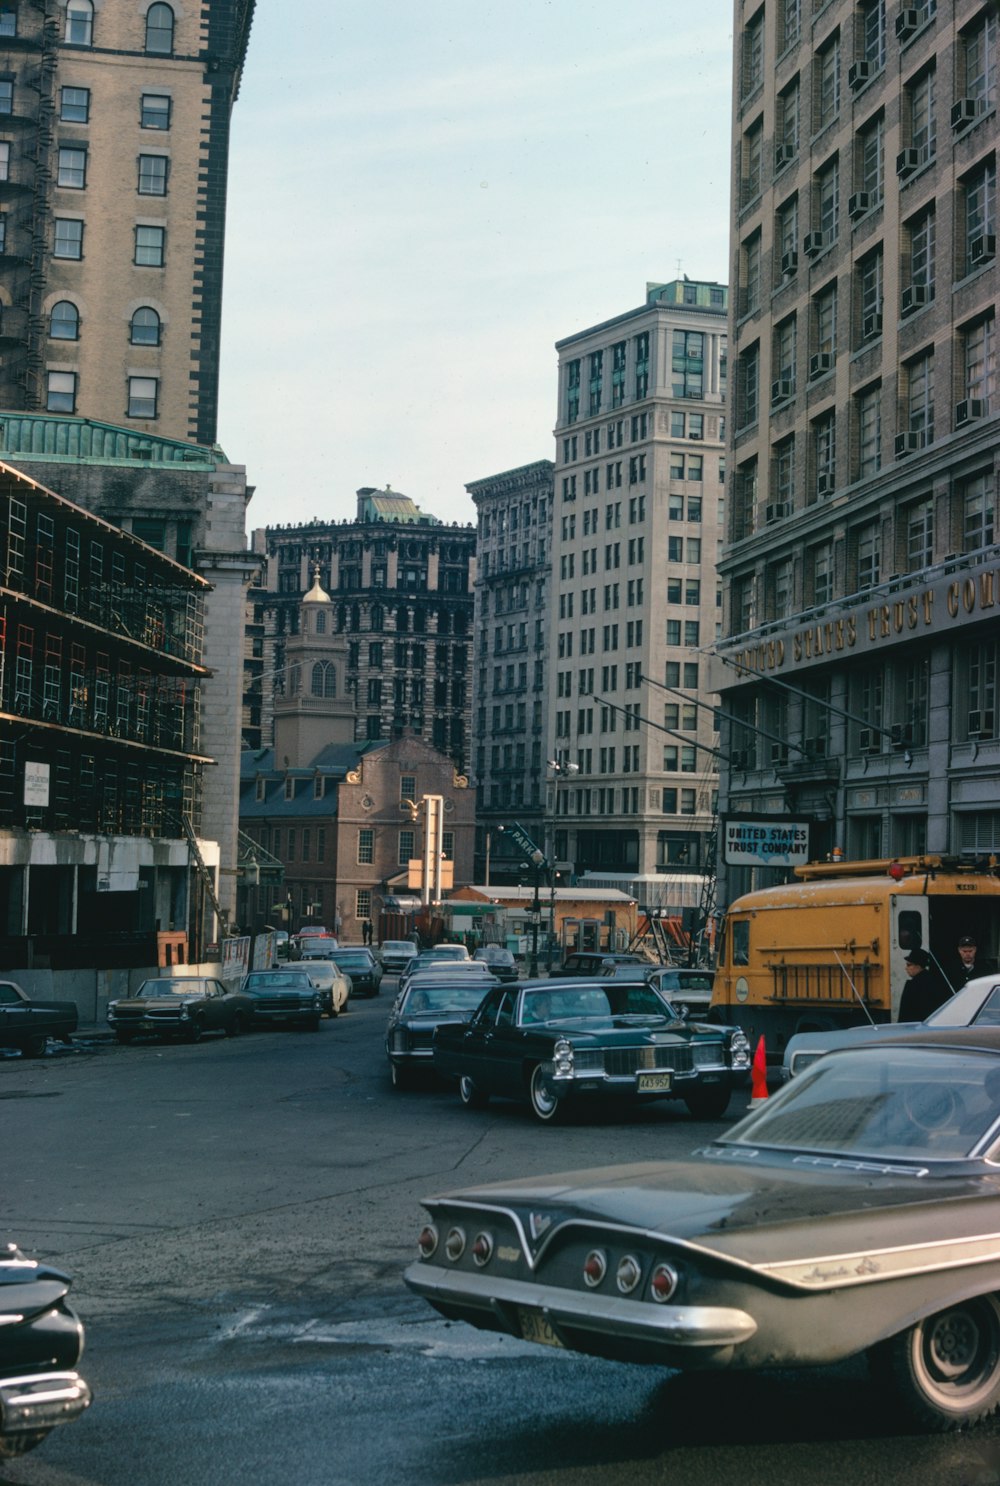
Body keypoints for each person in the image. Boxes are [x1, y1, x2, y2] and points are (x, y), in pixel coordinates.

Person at [898, 948, 950, 1022]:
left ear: (918, 966)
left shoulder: (912, 986)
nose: (906, 968)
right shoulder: (935, 983)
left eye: (909, 965)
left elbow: (904, 1014)